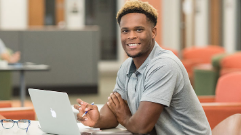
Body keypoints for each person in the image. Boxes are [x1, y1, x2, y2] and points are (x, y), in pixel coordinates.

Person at [74, 0, 211, 134]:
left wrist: (125, 117)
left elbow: (141, 128)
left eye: (139, 30)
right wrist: (98, 119)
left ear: (153, 32)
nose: (131, 36)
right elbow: (115, 110)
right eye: (125, 31)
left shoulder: (164, 66)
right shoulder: (126, 67)